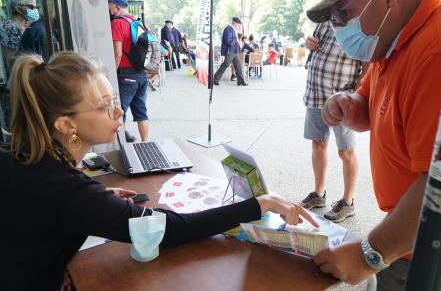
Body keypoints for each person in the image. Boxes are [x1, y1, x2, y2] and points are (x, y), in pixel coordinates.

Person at [0, 51, 317, 290]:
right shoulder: (69, 192)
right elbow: (168, 230)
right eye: (105, 106)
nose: (119, 110)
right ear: (67, 124)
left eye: (114, 99)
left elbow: (52, 205)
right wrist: (256, 205)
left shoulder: (32, 159)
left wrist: (97, 200)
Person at [306, 0, 441, 288]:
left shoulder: (437, 47)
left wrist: (368, 254)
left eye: (342, 14)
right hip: (419, 219)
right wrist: (348, 105)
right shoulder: (392, 40)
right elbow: (367, 102)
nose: (338, 28)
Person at [300, 0, 361, 223]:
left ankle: (348, 201)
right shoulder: (325, 11)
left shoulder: (360, 14)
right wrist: (309, 43)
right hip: (316, 89)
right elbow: (317, 43)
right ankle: (319, 193)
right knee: (318, 143)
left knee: (345, 150)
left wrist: (359, 93)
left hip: (342, 93)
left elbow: (368, 60)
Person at [108, 0, 149, 143]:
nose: (110, 12)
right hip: (142, 74)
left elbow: (117, 53)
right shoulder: (137, 22)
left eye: (110, 8)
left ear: (116, 8)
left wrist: (111, 75)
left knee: (120, 111)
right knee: (141, 112)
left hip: (126, 75)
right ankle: (146, 144)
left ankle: (122, 147)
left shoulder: (117, 23)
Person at [0, 0, 38, 140]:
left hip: (22, 79)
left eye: (35, 7)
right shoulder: (9, 26)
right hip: (14, 83)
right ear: (17, 8)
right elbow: (11, 58)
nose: (34, 10)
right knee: (17, 123)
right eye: (30, 7)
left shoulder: (25, 26)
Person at [213, 17, 248, 86]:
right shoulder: (228, 29)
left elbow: (232, 40)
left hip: (234, 51)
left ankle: (240, 81)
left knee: (238, 65)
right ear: (234, 22)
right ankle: (215, 79)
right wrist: (237, 40)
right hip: (230, 51)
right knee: (226, 64)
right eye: (238, 24)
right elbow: (228, 41)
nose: (238, 25)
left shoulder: (233, 29)